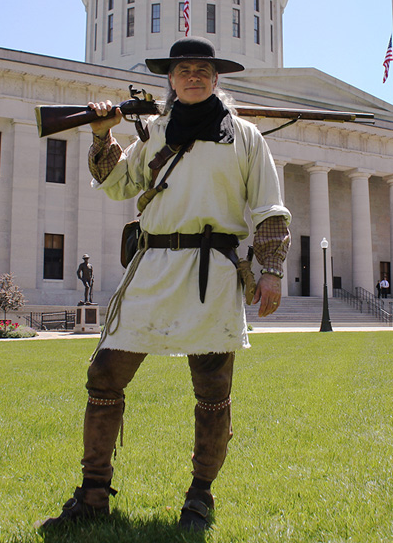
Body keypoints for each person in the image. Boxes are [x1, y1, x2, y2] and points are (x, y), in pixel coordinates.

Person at [40, 37, 290, 533]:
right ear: (171, 80)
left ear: (216, 79)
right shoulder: (154, 132)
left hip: (213, 270)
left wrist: (271, 271)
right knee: (105, 376)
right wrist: (100, 135)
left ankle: (199, 499)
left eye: (202, 69)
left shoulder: (244, 137)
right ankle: (93, 495)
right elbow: (116, 184)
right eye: (183, 70)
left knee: (213, 390)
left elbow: (268, 209)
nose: (193, 76)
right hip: (152, 265)